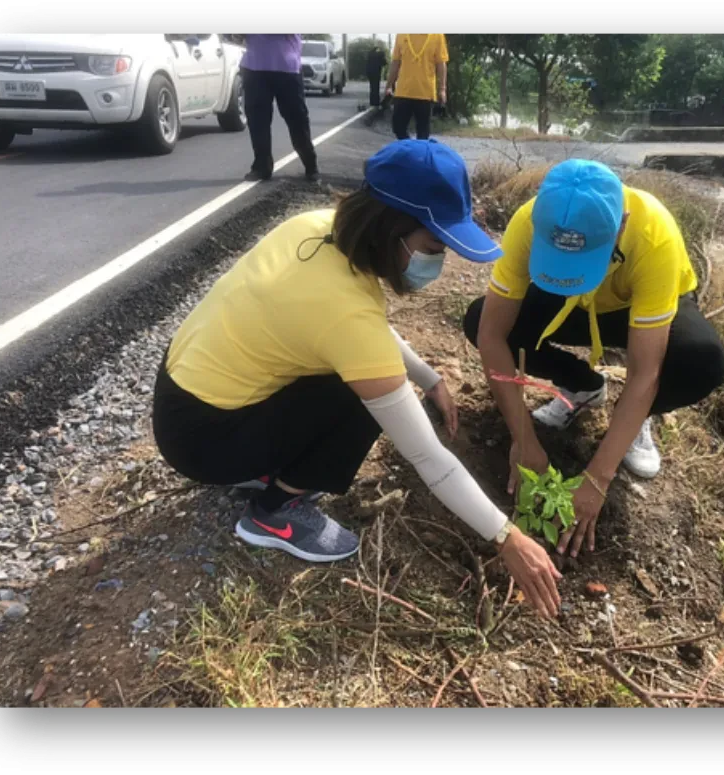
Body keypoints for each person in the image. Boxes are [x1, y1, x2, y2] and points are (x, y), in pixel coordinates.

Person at [153, 139, 562, 619]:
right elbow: (428, 456)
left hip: (183, 397)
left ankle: (262, 461)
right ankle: (274, 513)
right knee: (365, 399)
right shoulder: (344, 316)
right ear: (390, 231)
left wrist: (430, 379)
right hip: (202, 441)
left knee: (361, 372)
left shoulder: (315, 229)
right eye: (434, 247)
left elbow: (362, 326)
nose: (440, 262)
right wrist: (506, 536)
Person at [462, 159, 724, 559]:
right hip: (570, 301)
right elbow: (492, 335)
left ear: (619, 225)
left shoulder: (652, 234)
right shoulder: (529, 221)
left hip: (632, 305)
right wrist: (522, 437)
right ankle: (583, 387)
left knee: (701, 359)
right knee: (480, 317)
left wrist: (599, 477)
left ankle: (638, 418)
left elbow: (644, 372)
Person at [236, 33, 319, 183]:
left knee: (297, 119)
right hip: (254, 68)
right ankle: (262, 167)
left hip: (287, 68)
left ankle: (311, 165)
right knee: (257, 121)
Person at [385, 33, 448, 140]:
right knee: (398, 127)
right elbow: (395, 62)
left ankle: (418, 154)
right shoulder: (401, 34)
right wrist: (388, 86)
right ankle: (410, 150)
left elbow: (441, 64)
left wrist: (442, 89)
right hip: (403, 91)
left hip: (425, 93)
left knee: (423, 133)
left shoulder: (437, 35)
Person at [365, 43, 387, 108]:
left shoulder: (370, 54)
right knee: (376, 87)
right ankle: (376, 102)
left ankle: (372, 101)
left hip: (369, 72)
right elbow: (384, 63)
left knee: (372, 86)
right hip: (376, 72)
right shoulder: (381, 54)